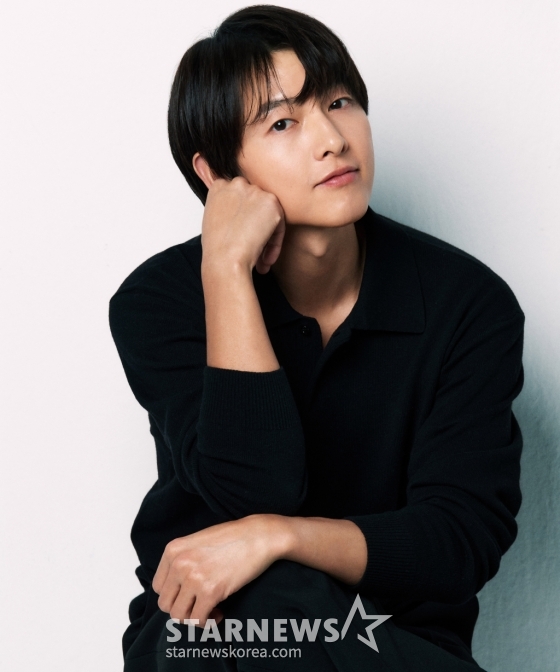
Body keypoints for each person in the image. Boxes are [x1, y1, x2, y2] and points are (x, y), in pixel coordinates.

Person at [108, 5, 525, 671]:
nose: (332, 138)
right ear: (216, 174)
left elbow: (457, 539)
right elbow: (254, 490)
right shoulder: (161, 301)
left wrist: (279, 539)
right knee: (266, 602)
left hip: (393, 642)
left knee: (279, 589)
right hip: (216, 636)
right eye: (282, 122)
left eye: (339, 102)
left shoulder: (467, 304)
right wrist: (226, 271)